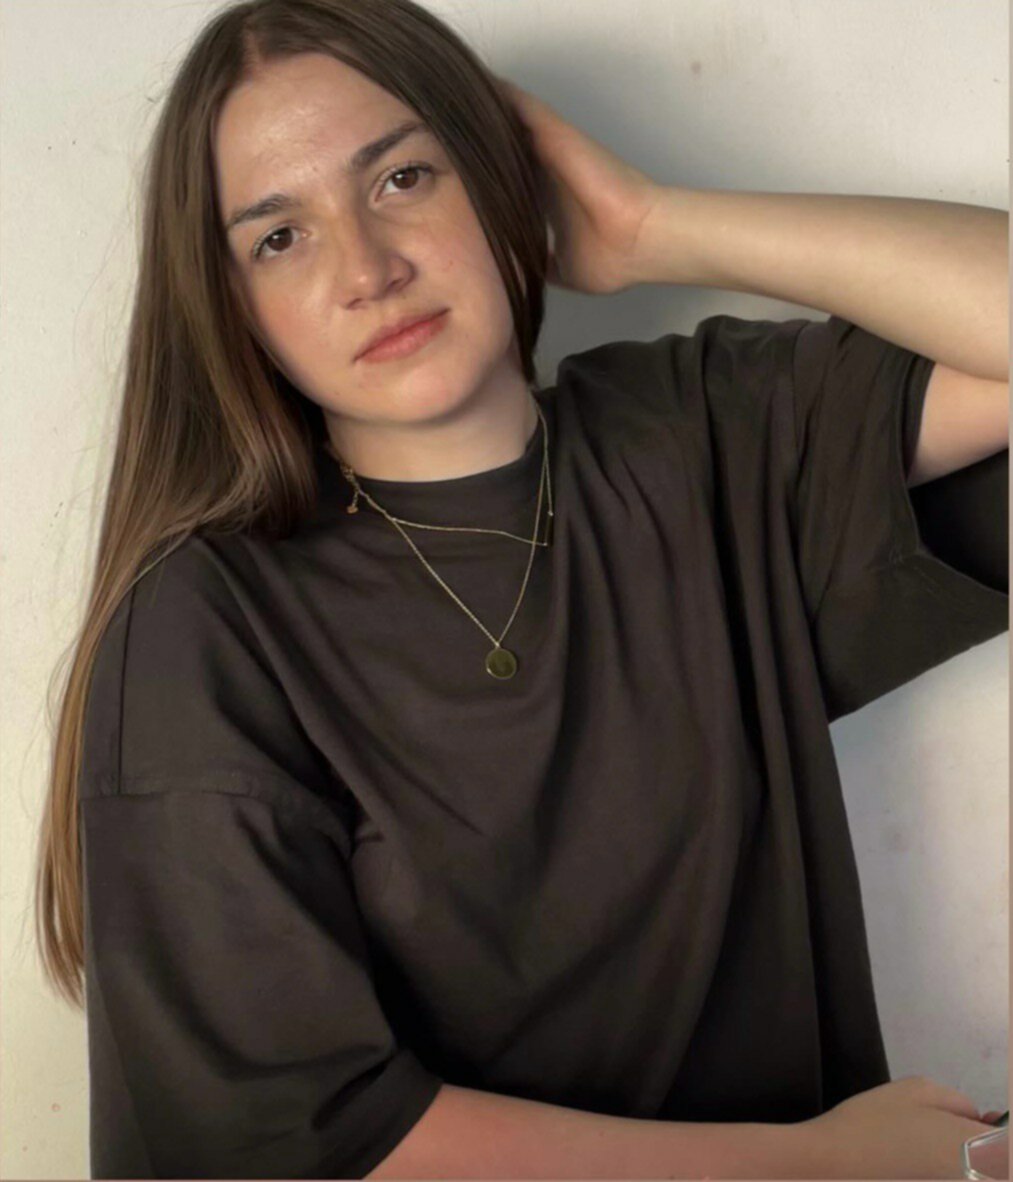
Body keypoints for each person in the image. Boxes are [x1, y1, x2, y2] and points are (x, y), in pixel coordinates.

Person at [32, 0, 1009, 1177]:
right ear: (228, 305)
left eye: (400, 178)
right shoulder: (203, 624)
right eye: (278, 237)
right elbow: (301, 1143)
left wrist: (651, 227)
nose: (368, 268)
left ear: (497, 177)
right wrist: (825, 1165)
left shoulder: (701, 433)